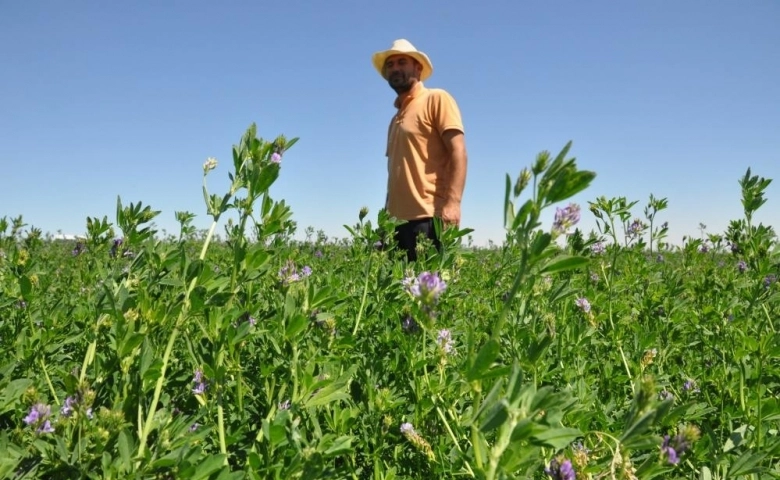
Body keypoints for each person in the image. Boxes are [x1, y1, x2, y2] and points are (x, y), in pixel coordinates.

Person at [372, 39, 468, 261]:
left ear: (418, 67)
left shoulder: (437, 99)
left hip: (427, 218)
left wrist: (453, 203)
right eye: (390, 64)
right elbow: (394, 174)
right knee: (395, 293)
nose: (395, 68)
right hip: (395, 224)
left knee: (428, 293)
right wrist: (385, 221)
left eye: (402, 62)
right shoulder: (395, 119)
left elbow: (458, 151)